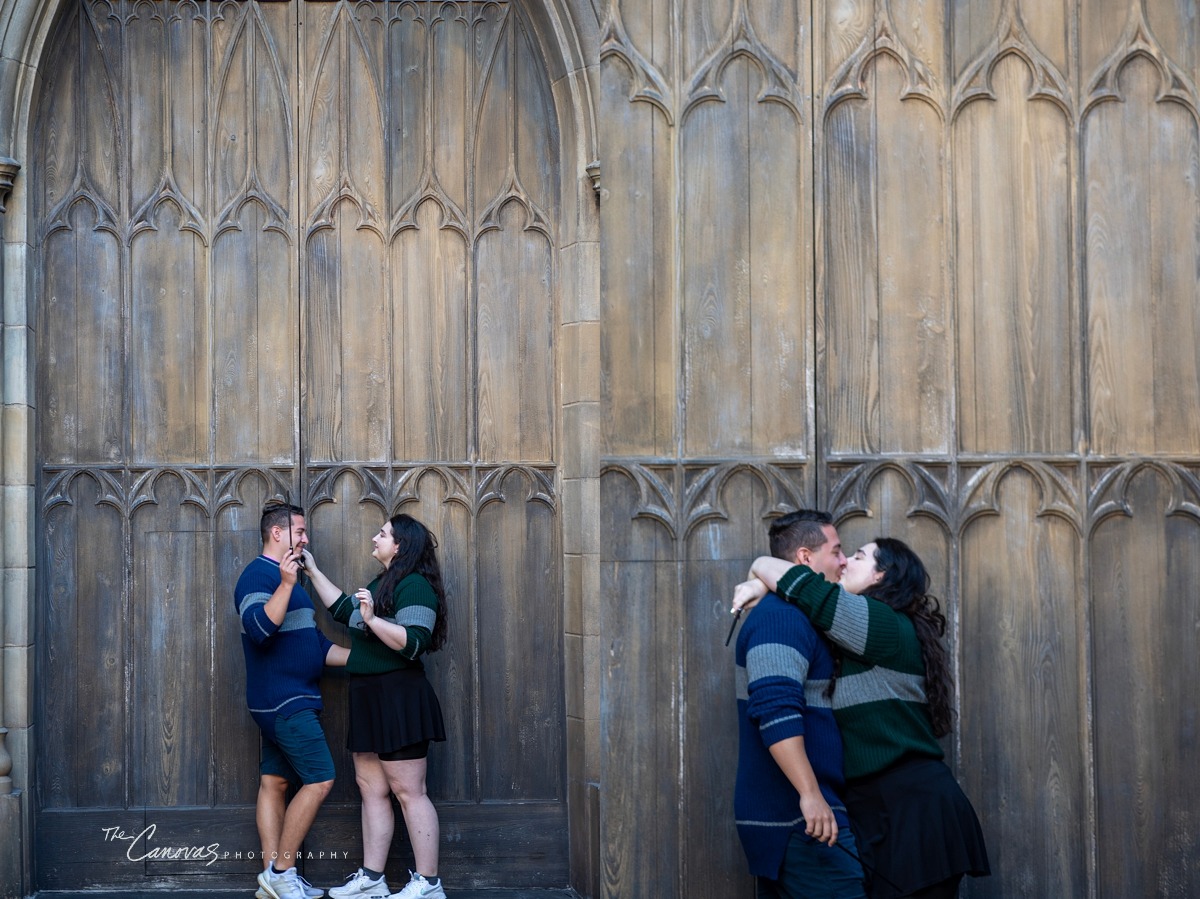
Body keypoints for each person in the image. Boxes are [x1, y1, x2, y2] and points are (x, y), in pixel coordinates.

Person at [733, 537, 990, 898]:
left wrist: (760, 569)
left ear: (881, 576)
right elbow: (802, 593)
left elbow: (803, 586)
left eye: (856, 557)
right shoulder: (847, 633)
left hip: (912, 809)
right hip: (873, 807)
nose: (843, 564)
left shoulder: (882, 624)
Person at [303, 513, 449, 899]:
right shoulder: (382, 582)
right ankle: (372, 879)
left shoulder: (415, 585)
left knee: (409, 791)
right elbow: (343, 611)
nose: (375, 537)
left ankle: (429, 884)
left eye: (382, 534)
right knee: (370, 787)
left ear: (399, 545)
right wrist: (312, 569)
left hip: (399, 695)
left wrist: (372, 619)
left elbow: (414, 640)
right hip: (368, 694)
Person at [735, 510, 865, 898]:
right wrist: (810, 795)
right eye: (837, 551)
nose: (843, 562)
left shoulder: (798, 615)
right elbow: (776, 712)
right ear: (806, 558)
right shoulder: (782, 619)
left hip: (804, 815)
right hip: (799, 818)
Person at [235, 502, 350, 899]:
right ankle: (283, 871)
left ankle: (272, 880)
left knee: (275, 781)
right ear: (278, 534)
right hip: (284, 703)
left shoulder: (294, 583)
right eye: (299, 531)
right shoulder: (257, 576)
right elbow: (259, 631)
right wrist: (285, 585)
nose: (306, 538)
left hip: (286, 700)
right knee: (320, 779)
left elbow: (314, 646)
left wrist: (367, 659)